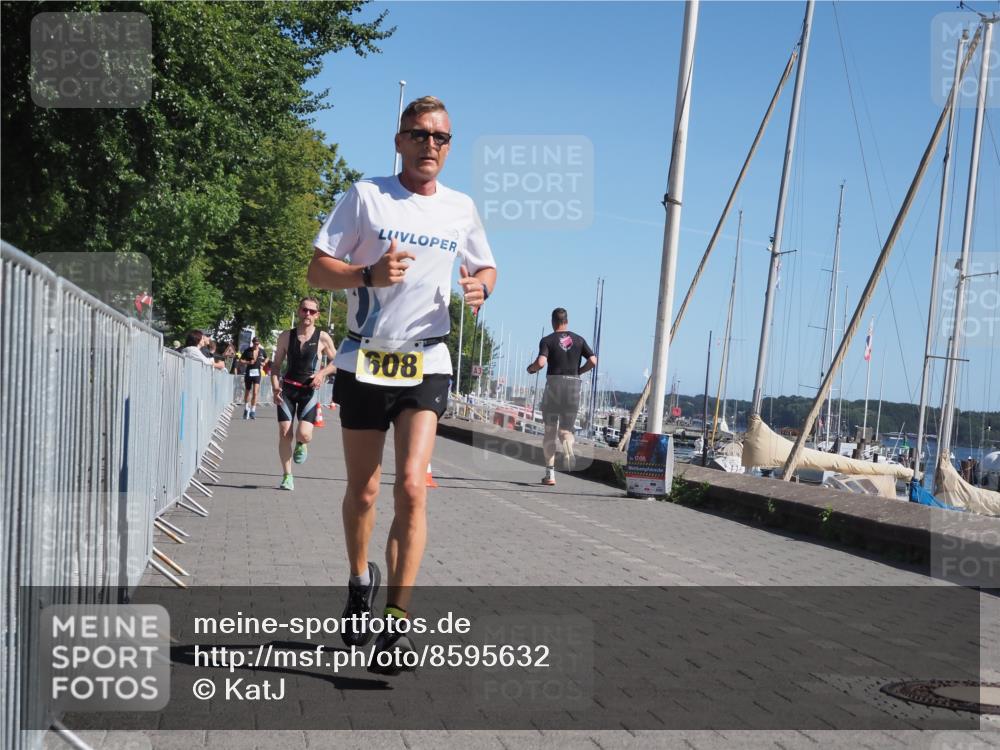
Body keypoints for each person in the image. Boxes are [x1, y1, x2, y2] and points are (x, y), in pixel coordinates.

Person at [307, 95, 496, 675]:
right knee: (364, 491)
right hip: (365, 358)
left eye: (440, 137)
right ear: (398, 142)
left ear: (449, 146)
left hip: (427, 362)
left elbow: (487, 267)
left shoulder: (461, 208)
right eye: (418, 135)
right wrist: (367, 273)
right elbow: (317, 268)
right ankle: (360, 579)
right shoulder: (366, 196)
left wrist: (481, 289)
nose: (429, 146)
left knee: (412, 486)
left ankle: (395, 622)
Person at [270, 298, 337, 491]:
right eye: (304, 310)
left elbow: (338, 361)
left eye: (312, 311)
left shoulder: (323, 337)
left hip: (308, 391)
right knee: (284, 433)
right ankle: (287, 476)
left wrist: (322, 373)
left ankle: (302, 442)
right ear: (299, 311)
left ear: (317, 315)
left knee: (304, 434)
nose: (307, 314)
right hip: (287, 390)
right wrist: (275, 387)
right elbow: (275, 366)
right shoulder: (285, 336)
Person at [527, 308, 597, 486]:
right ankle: (568, 446)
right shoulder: (579, 339)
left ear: (553, 321)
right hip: (573, 385)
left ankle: (550, 475)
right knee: (565, 431)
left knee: (550, 431)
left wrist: (531, 368)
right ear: (567, 321)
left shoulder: (547, 340)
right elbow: (593, 360)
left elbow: (541, 362)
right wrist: (579, 371)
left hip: (554, 386)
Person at [240, 337, 269, 420]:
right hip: (249, 373)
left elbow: (267, 357)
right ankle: (246, 409)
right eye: (255, 343)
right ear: (253, 343)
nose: (256, 345)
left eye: (258, 344)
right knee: (247, 391)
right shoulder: (247, 350)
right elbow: (240, 361)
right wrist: (248, 362)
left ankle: (253, 410)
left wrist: (264, 362)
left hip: (257, 373)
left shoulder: (261, 351)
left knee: (255, 392)